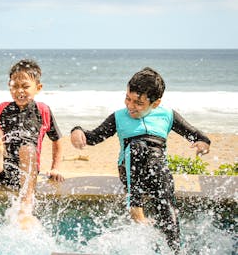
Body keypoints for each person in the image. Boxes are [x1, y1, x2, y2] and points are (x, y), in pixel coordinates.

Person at [70, 67, 211, 252]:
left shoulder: (167, 115)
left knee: (166, 201)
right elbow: (94, 137)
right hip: (129, 169)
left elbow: (195, 134)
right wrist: (77, 130)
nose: (130, 105)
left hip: (157, 171)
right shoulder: (119, 117)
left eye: (138, 103)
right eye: (128, 98)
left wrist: (202, 143)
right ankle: (135, 206)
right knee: (138, 147)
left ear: (155, 103)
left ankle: (175, 249)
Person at [0, 59, 64, 229]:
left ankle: (26, 205)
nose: (20, 91)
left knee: (27, 148)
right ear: (9, 86)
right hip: (5, 169)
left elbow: (57, 140)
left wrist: (56, 167)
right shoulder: (3, 108)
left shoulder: (42, 110)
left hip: (28, 173)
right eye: (14, 86)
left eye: (25, 86)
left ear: (38, 88)